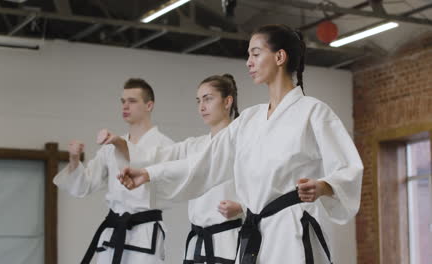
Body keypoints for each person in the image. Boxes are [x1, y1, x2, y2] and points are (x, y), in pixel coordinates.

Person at [118, 24, 364, 264]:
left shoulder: (314, 112)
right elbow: (203, 164)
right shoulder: (249, 119)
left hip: (292, 230)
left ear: (279, 56)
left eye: (256, 54)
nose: (249, 62)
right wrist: (149, 173)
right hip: (255, 234)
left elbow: (348, 168)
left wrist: (323, 185)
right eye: (248, 55)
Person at [109, 74, 244, 264]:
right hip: (197, 243)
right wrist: (122, 145)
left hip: (228, 241)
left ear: (227, 101)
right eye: (199, 101)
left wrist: (242, 207)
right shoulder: (194, 145)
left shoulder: (240, 141)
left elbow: (260, 188)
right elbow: (158, 157)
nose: (202, 107)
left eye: (208, 99)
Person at [53, 78, 173, 264]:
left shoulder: (165, 146)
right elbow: (84, 185)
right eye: (122, 101)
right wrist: (74, 159)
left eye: (132, 101)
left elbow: (150, 165)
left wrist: (118, 143)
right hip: (113, 231)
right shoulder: (110, 148)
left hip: (144, 234)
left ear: (149, 105)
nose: (125, 106)